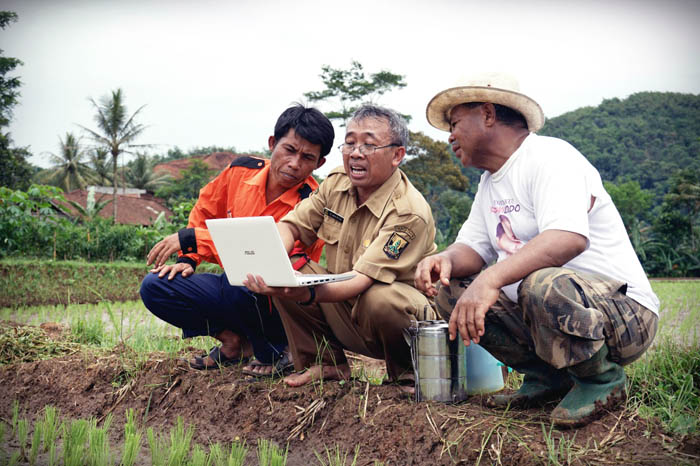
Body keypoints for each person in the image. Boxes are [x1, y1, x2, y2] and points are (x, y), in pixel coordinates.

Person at [414, 73, 659, 427]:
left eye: (454, 123)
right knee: (452, 289)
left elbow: (567, 238)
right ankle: (549, 376)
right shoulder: (489, 183)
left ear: (487, 114)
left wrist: (492, 279)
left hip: (624, 316)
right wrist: (443, 260)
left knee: (540, 283)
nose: (449, 135)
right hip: (554, 316)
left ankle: (601, 379)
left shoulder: (550, 157)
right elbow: (473, 247)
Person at [244, 104, 437, 388]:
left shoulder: (408, 211)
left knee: (380, 298)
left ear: (397, 155)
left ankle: (408, 373)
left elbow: (361, 280)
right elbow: (291, 225)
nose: (356, 153)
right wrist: (272, 262)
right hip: (344, 307)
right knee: (288, 268)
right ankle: (325, 363)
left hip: (396, 320)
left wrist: (303, 290)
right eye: (350, 143)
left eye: (369, 145)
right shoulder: (337, 183)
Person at [140, 104, 334, 377]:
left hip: (276, 297)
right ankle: (233, 343)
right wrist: (188, 258)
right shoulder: (239, 172)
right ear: (272, 143)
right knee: (156, 286)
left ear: (319, 164)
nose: (294, 163)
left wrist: (192, 240)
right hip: (235, 285)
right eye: (289, 150)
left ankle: (275, 351)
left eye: (307, 157)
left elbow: (265, 258)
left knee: (245, 280)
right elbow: (205, 211)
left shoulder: (313, 203)